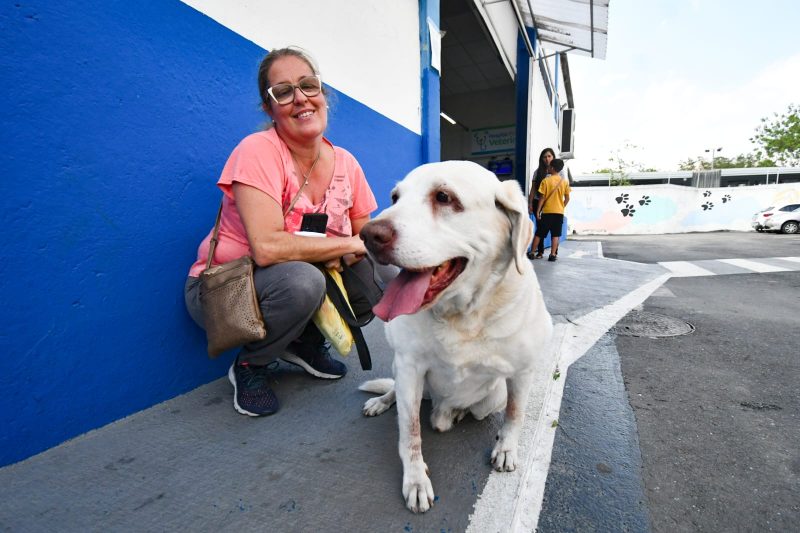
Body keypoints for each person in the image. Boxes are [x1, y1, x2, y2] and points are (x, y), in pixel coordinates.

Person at [184, 47, 378, 417]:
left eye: (308, 85)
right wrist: (347, 244)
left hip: (294, 282)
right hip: (226, 292)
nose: (301, 98)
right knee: (303, 280)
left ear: (323, 94)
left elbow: (367, 235)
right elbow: (268, 249)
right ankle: (251, 365)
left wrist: (356, 249)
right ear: (268, 108)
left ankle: (301, 341)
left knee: (382, 269)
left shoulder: (347, 163)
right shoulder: (257, 151)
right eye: (283, 91)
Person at [531, 158, 571, 262]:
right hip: (559, 213)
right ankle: (552, 255)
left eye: (549, 166)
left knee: (539, 234)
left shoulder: (546, 181)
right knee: (555, 235)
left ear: (552, 168)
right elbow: (567, 198)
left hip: (547, 212)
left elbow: (542, 198)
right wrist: (562, 206)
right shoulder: (564, 182)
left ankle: (532, 253)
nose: (547, 168)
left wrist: (538, 211)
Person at [527, 148, 556, 259]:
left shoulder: (558, 173)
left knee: (553, 228)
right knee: (540, 227)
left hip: (551, 204)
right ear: (541, 159)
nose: (547, 159)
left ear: (553, 157)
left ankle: (554, 252)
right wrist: (530, 204)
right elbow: (533, 189)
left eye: (549, 156)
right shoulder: (537, 172)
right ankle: (540, 251)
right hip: (537, 202)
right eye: (544, 157)